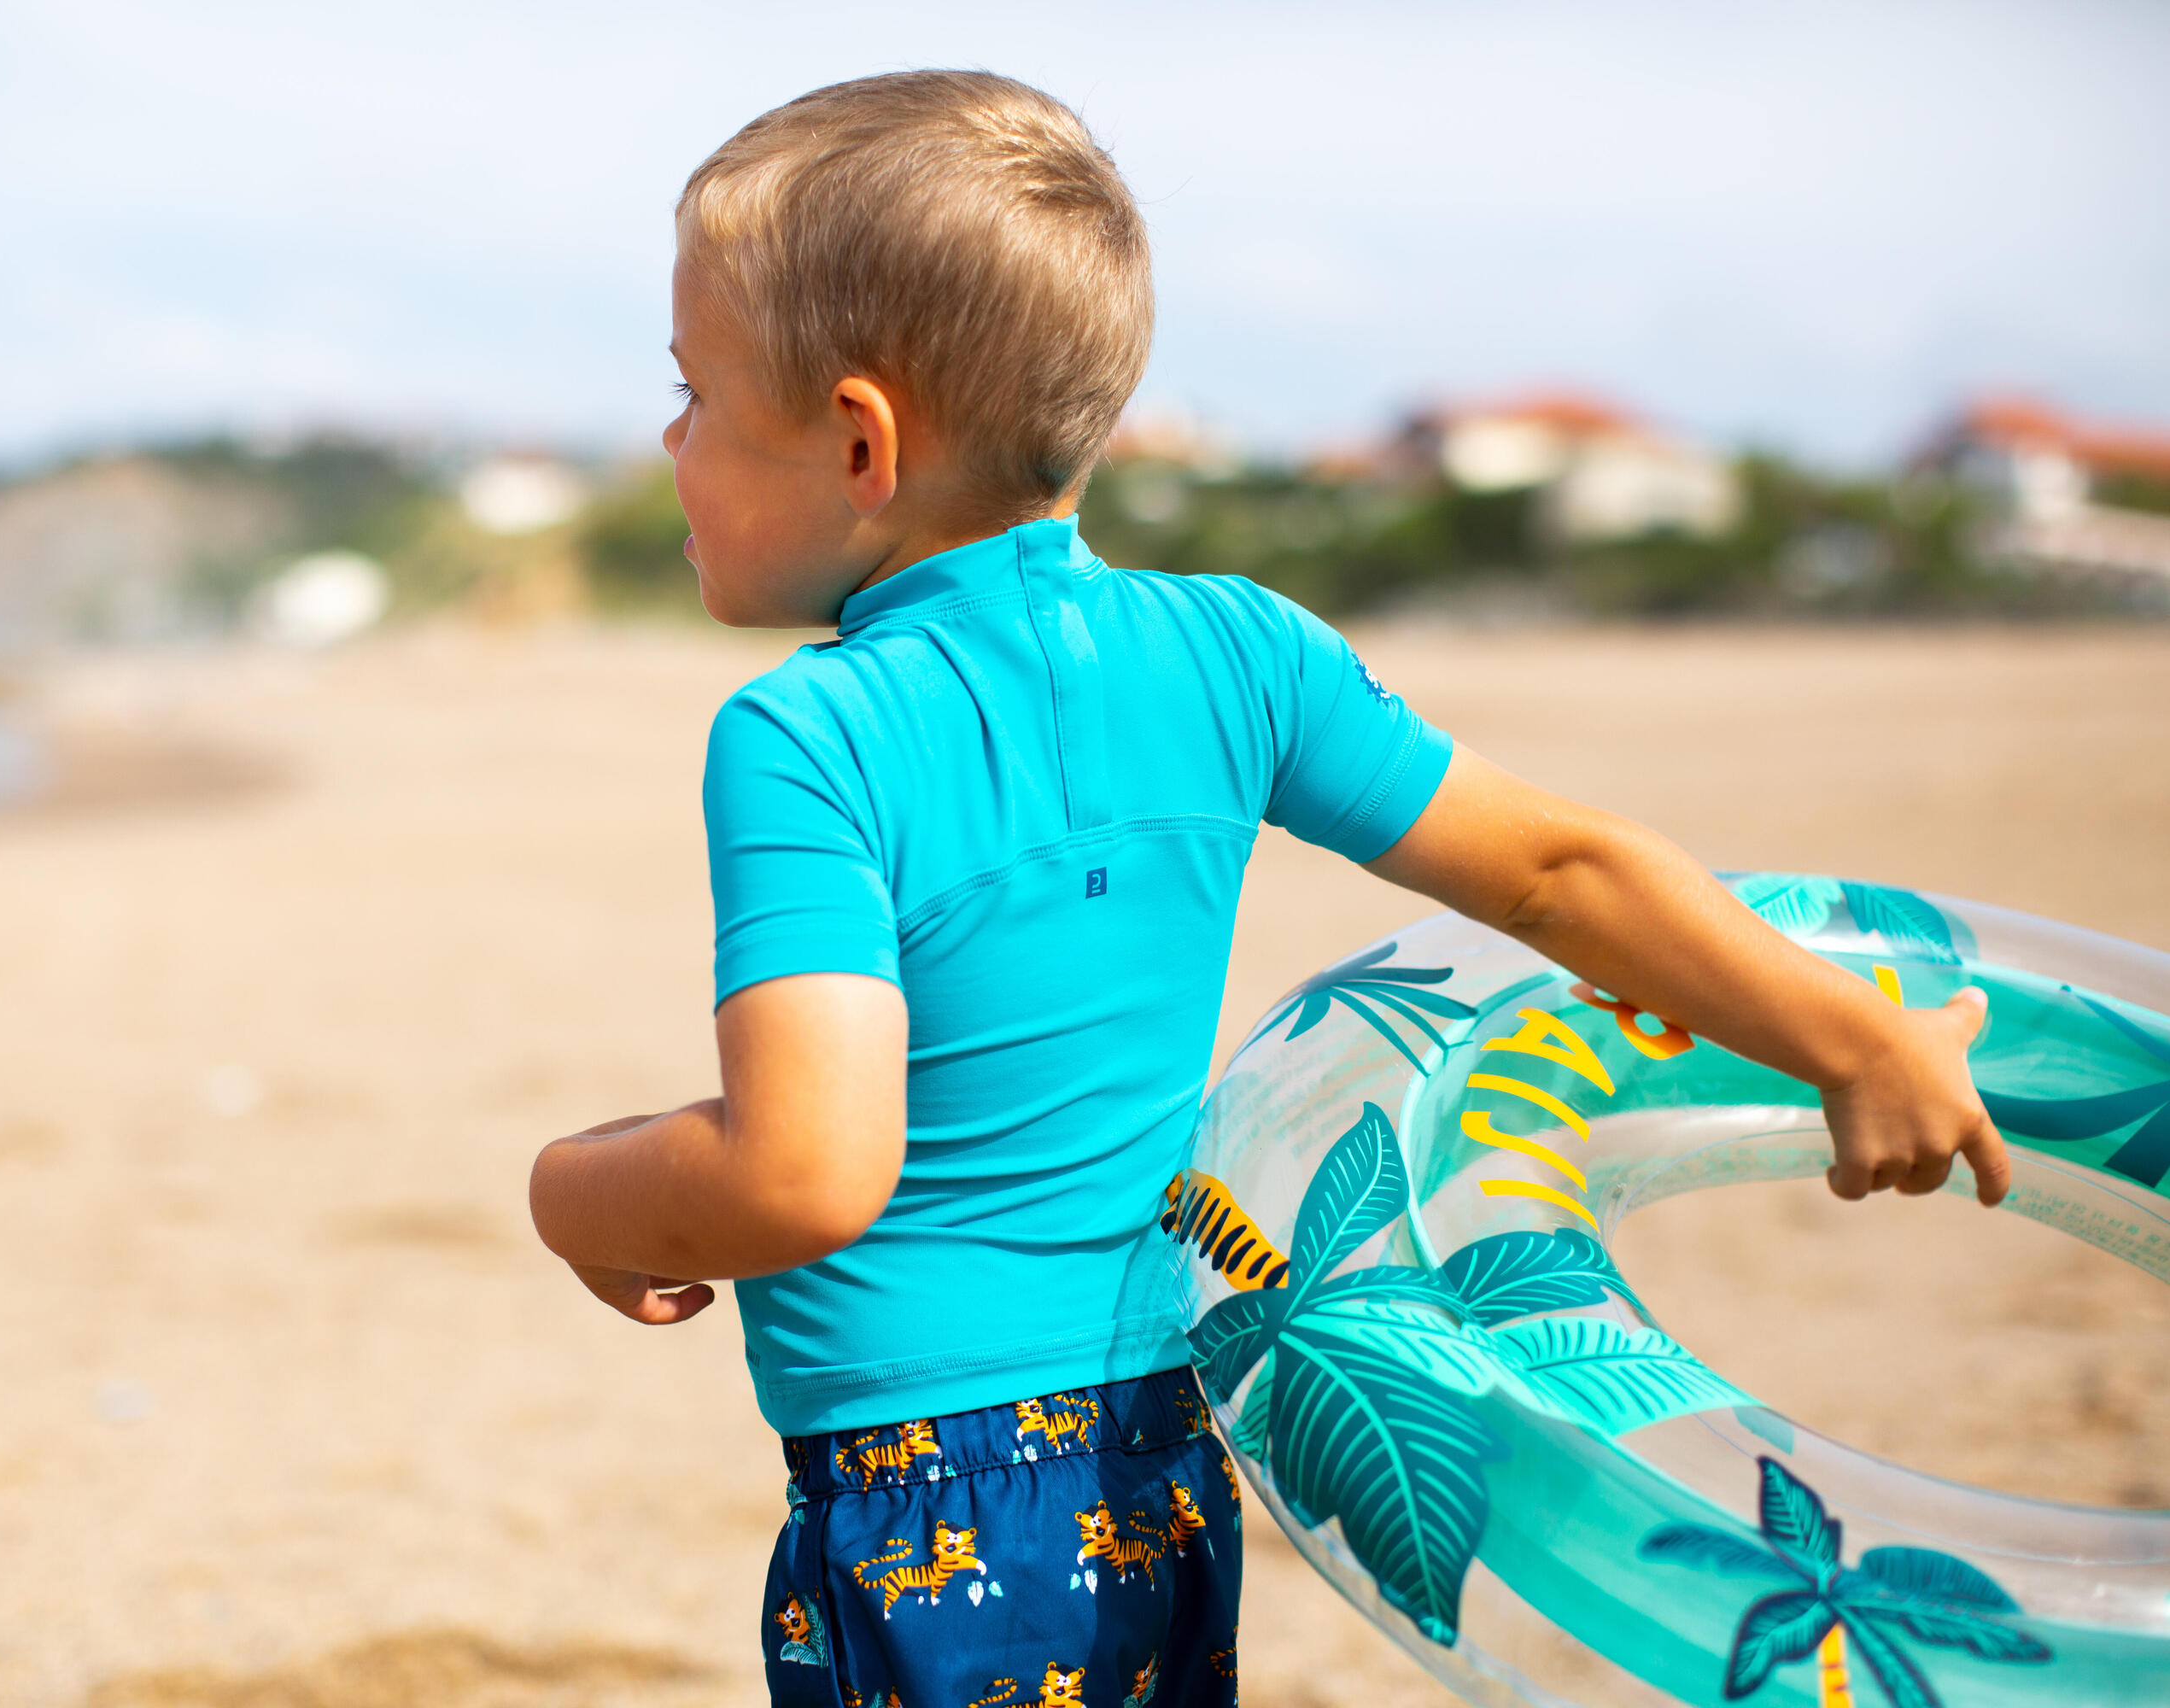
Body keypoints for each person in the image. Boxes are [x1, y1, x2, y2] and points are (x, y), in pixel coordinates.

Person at [527, 69, 2009, 1708]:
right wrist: (1857, 1041)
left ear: (860, 440)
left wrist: (574, 1191)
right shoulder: (1242, 653)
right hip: (1161, 1452)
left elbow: (808, 1175)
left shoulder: (810, 734)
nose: (668, 439)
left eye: (695, 394)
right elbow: (1563, 871)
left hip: (925, 1501)